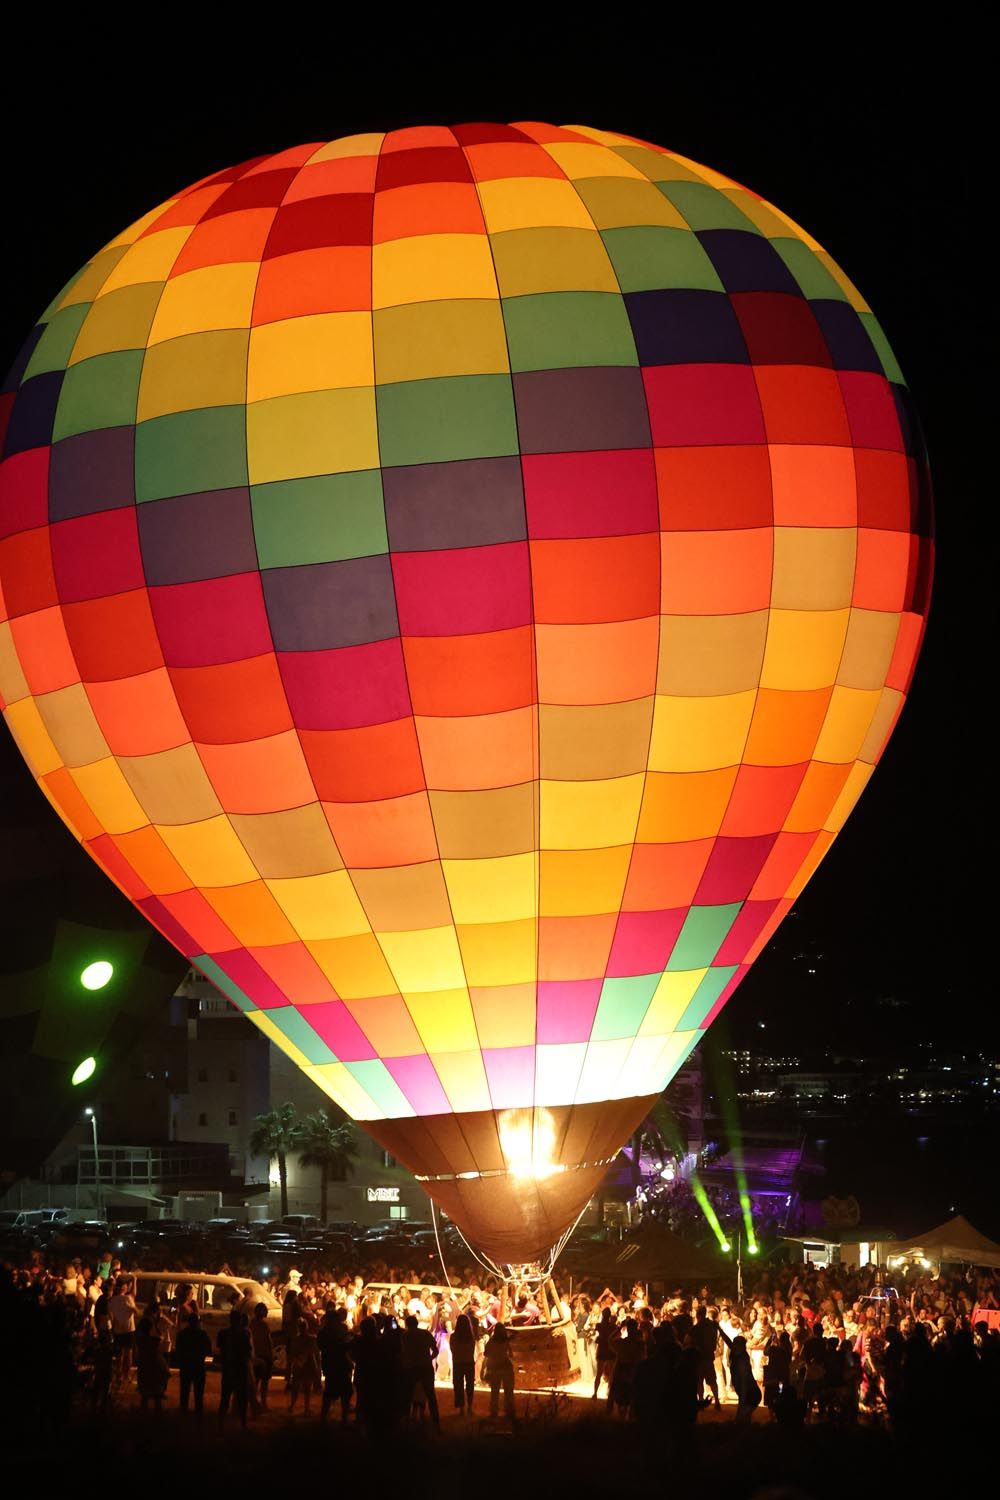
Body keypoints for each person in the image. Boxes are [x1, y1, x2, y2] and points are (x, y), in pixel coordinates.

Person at [400, 1313, 440, 1429]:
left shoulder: (404, 1336)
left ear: (407, 1325)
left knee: (407, 1395)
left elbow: (401, 1352)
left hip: (411, 1368)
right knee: (431, 1395)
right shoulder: (425, 1334)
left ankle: (406, 1421)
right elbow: (435, 1350)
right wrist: (429, 1358)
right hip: (425, 1367)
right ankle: (436, 1422)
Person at [318, 1306, 354, 1422]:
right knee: (343, 1393)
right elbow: (346, 1345)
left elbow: (321, 1346)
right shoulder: (340, 1329)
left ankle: (324, 1418)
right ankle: (342, 1418)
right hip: (339, 1364)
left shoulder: (324, 1332)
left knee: (332, 1393)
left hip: (331, 1365)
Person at [218, 1309, 253, 1427]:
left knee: (225, 1399)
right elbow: (248, 1352)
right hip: (240, 1369)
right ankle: (243, 1424)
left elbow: (220, 1351)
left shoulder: (224, 1333)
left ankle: (221, 1424)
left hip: (229, 1369)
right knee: (242, 1398)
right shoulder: (244, 1334)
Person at [176, 1310, 212, 1416]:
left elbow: (178, 1350)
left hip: (186, 1365)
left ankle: (183, 1410)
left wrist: (181, 1362)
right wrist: (207, 1364)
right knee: (199, 1391)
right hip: (199, 1366)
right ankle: (198, 1411)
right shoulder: (202, 1334)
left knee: (184, 1389)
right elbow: (209, 1352)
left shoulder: (182, 1334)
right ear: (198, 1322)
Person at [287, 1316, 322, 1414]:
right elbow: (315, 1354)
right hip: (307, 1366)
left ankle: (292, 1406)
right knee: (307, 1389)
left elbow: (292, 1355)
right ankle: (305, 1408)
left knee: (297, 1388)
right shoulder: (311, 1339)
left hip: (299, 1366)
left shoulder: (296, 1340)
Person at [135, 1315, 169, 1414]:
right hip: (154, 1369)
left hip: (144, 1368)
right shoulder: (153, 1341)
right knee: (156, 1396)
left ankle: (143, 1415)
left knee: (144, 1396)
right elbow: (160, 1341)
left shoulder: (140, 1340)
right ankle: (157, 1417)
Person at [483, 1322, 515, 1420]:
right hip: (506, 1366)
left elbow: (486, 1353)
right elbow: (511, 1354)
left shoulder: (491, 1341)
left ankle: (494, 1412)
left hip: (496, 1367)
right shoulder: (506, 1341)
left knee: (495, 1392)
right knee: (508, 1391)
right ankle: (509, 1412)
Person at [450, 1310, 477, 1416]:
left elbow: (452, 1349)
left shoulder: (453, 1337)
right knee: (470, 1385)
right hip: (469, 1362)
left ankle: (461, 1407)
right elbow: (472, 1350)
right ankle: (469, 1406)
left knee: (458, 1385)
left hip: (457, 1363)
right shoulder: (471, 1337)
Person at [249, 1302, 274, 1409]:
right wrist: (271, 1354)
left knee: (256, 1380)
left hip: (256, 1355)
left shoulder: (251, 1324)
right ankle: (262, 1403)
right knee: (264, 1381)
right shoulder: (264, 1325)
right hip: (263, 1355)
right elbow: (268, 1341)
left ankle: (255, 1402)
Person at [592, 1306, 618, 1400]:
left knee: (599, 1373)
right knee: (611, 1373)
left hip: (602, 1350)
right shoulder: (613, 1326)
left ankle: (595, 1393)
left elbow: (599, 1336)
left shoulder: (599, 1325)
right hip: (610, 1350)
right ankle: (609, 1392)